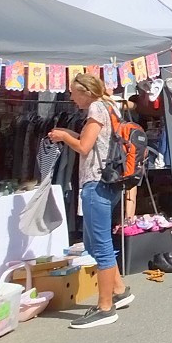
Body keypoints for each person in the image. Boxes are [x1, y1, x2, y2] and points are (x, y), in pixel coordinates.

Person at [46, 73, 134, 328]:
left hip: (96, 182)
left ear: (85, 91)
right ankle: (118, 289)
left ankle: (105, 306)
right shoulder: (110, 105)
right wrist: (67, 132)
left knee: (101, 245)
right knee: (94, 243)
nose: (71, 97)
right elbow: (96, 141)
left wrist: (64, 137)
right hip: (108, 182)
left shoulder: (96, 107)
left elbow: (84, 147)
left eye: (73, 92)